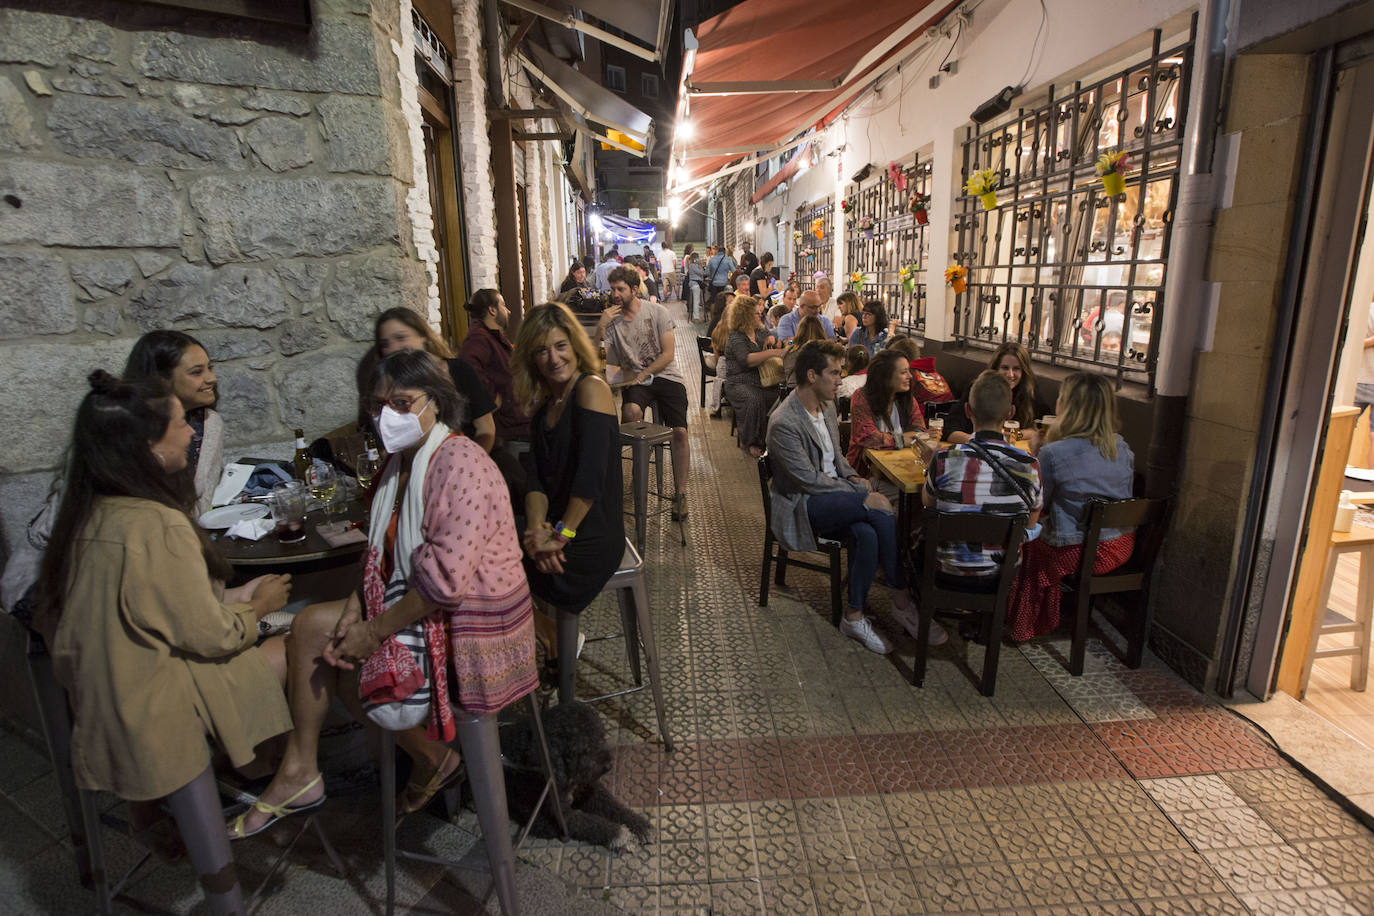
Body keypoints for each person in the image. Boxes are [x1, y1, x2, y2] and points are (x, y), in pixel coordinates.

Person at [232, 350, 537, 836]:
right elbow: (380, 554)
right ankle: (314, 767)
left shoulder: (459, 461)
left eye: (402, 402)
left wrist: (372, 632)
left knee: (321, 638)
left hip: (474, 625)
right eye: (378, 407)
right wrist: (358, 609)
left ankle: (407, 758)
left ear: (435, 402)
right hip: (421, 601)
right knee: (319, 635)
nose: (387, 417)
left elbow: (444, 582)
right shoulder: (399, 466)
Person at [36, 371, 294, 852]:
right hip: (158, 714)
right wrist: (256, 608)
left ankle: (163, 814)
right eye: (180, 423)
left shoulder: (86, 515)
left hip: (104, 705)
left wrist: (231, 602)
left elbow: (149, 613)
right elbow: (211, 636)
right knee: (300, 644)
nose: (192, 432)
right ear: (148, 445)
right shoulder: (156, 522)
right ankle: (285, 779)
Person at [765, 340, 921, 654]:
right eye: (834, 373)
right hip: (802, 504)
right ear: (811, 375)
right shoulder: (785, 422)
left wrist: (853, 477)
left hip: (832, 493)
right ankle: (901, 598)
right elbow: (807, 481)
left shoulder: (826, 406)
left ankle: (854, 615)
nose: (840, 380)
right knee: (879, 509)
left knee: (867, 533)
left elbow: (837, 458)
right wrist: (860, 493)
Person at [512, 303, 623, 681]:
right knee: (490, 561)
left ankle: (552, 641)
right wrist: (537, 529)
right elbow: (537, 482)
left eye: (560, 346)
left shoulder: (591, 389)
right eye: (541, 350)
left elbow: (590, 481)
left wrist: (560, 536)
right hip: (560, 528)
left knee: (496, 572)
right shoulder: (545, 407)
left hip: (591, 532)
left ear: (575, 345)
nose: (553, 358)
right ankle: (549, 635)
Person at [1006, 372, 1135, 641]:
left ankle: (1022, 625)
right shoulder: (1121, 446)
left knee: (1025, 545)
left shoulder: (1055, 453)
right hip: (1121, 545)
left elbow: (1039, 503)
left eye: (1062, 396)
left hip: (1081, 549)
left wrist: (1035, 456)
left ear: (1069, 406)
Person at [923, 370, 1042, 583]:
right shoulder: (1031, 465)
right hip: (1003, 575)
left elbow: (928, 503)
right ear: (1010, 413)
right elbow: (1030, 524)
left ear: (968, 411)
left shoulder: (943, 458)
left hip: (946, 571)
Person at [597, 265, 691, 518]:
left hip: (666, 376)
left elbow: (668, 353)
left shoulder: (657, 311)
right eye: (612, 289)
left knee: (680, 432)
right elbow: (605, 359)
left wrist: (641, 374)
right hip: (635, 381)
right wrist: (601, 326)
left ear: (634, 290)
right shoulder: (612, 321)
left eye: (620, 289)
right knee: (630, 412)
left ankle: (680, 494)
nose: (615, 294)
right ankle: (641, 456)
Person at [122, 330, 223, 515]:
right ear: (161, 379)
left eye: (210, 368)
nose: (211, 379)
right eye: (197, 372)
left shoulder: (209, 423)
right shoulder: (127, 428)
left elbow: (202, 506)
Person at [375, 307, 498, 452]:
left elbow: (486, 429)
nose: (394, 348)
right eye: (385, 344)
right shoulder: (385, 386)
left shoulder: (458, 370)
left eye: (401, 338)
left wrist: (471, 461)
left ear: (423, 336)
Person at [846, 350, 928, 487]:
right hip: (865, 476)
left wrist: (892, 440)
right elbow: (869, 438)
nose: (910, 376)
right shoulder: (861, 397)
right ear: (885, 377)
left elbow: (920, 431)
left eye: (909, 371)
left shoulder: (906, 399)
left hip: (902, 468)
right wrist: (901, 439)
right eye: (903, 372)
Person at [458, 289, 530, 443]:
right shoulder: (479, 338)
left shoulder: (491, 337)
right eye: (503, 305)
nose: (508, 311)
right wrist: (491, 399)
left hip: (514, 416)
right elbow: (466, 370)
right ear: (492, 310)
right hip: (508, 424)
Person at [723, 295, 788, 457]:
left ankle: (773, 439)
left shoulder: (759, 331)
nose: (760, 316)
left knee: (780, 398)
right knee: (753, 400)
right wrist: (771, 352)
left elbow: (781, 343)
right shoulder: (736, 337)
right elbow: (746, 360)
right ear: (744, 315)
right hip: (738, 382)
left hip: (761, 380)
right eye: (756, 314)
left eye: (761, 313)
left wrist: (778, 341)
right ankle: (750, 442)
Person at [944, 341, 1046, 445]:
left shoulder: (1029, 391)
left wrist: (1015, 435)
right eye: (1005, 368)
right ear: (995, 368)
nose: (1010, 374)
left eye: (1016, 369)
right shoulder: (978, 389)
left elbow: (1041, 428)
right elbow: (949, 430)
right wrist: (987, 442)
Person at [783, 314, 830, 387]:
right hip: (813, 389)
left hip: (791, 387)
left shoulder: (791, 346)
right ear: (820, 330)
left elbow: (788, 342)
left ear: (799, 329)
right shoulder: (823, 349)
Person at [1356, 301, 1374, 464]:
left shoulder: (1365, 309)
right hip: (1359, 379)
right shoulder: (1366, 309)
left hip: (1360, 378)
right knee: (1342, 427)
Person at [686, 252, 707, 321]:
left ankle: (701, 315)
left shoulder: (693, 265)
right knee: (696, 300)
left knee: (698, 299)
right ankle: (696, 317)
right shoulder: (693, 266)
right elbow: (702, 273)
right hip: (695, 284)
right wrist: (701, 266)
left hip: (696, 284)